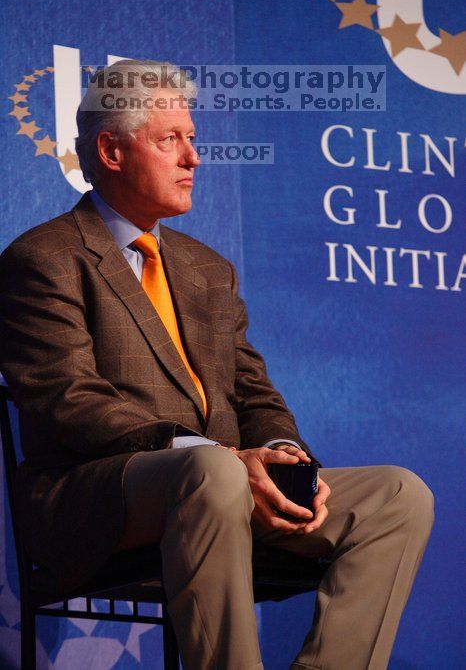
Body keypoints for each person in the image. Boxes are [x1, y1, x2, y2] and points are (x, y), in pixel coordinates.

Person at [0, 60, 434, 670]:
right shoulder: (43, 258)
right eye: (170, 140)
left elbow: (253, 392)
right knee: (213, 473)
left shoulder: (208, 269)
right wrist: (226, 460)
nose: (193, 159)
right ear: (111, 150)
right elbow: (70, 401)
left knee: (397, 495)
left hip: (229, 486)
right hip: (96, 500)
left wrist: (282, 453)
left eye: (193, 139)